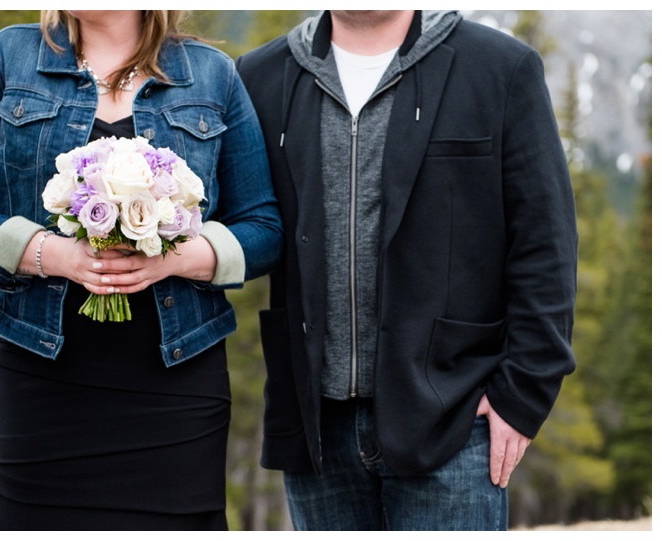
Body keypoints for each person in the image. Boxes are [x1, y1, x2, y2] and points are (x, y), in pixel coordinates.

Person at [0, 10, 282, 531]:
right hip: (38, 381)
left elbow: (264, 228)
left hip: (177, 388)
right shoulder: (10, 58)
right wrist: (52, 253)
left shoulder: (213, 74)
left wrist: (172, 257)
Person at [237, 10, 577, 531]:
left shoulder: (499, 68)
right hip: (314, 430)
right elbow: (248, 223)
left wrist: (522, 397)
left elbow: (545, 243)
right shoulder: (260, 75)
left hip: (454, 421)